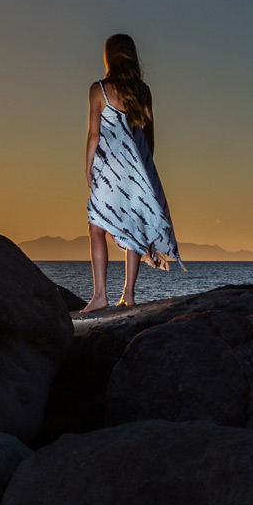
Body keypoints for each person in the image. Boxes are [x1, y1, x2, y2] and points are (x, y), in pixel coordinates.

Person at [82, 33, 183, 311]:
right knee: (134, 226)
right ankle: (128, 294)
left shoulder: (98, 90)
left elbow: (93, 135)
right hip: (137, 169)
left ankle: (100, 295)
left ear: (109, 57)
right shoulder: (143, 91)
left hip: (109, 171)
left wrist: (88, 167)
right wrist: (144, 170)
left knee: (96, 228)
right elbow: (149, 136)